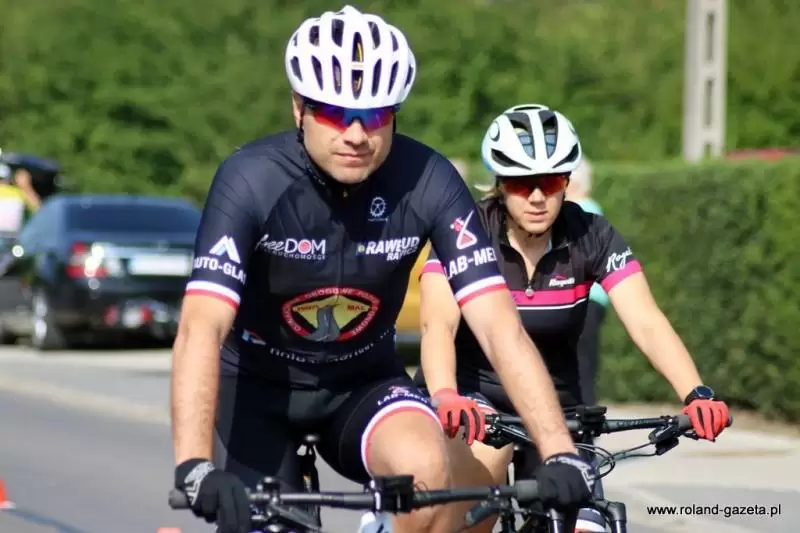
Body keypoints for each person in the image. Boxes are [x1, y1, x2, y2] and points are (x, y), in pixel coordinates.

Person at [171, 9, 595, 533]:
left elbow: (497, 325)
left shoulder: (429, 179)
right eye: (334, 112)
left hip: (361, 381)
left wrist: (559, 450)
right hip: (257, 386)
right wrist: (194, 465)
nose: (356, 133)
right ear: (299, 107)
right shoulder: (249, 180)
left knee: (429, 474)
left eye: (374, 115)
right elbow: (201, 326)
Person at [414, 103, 730, 533]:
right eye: (521, 183)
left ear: (566, 181)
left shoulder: (592, 234)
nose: (537, 197)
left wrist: (696, 392)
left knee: (586, 523)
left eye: (550, 181)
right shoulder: (467, 231)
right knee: (477, 506)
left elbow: (646, 320)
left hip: (555, 407)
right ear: (500, 184)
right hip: (473, 398)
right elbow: (437, 326)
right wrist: (446, 394)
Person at [564, 158, 607, 406]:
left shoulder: (580, 210)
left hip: (582, 296)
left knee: (578, 363)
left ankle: (583, 415)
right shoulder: (593, 208)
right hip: (595, 298)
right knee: (585, 360)